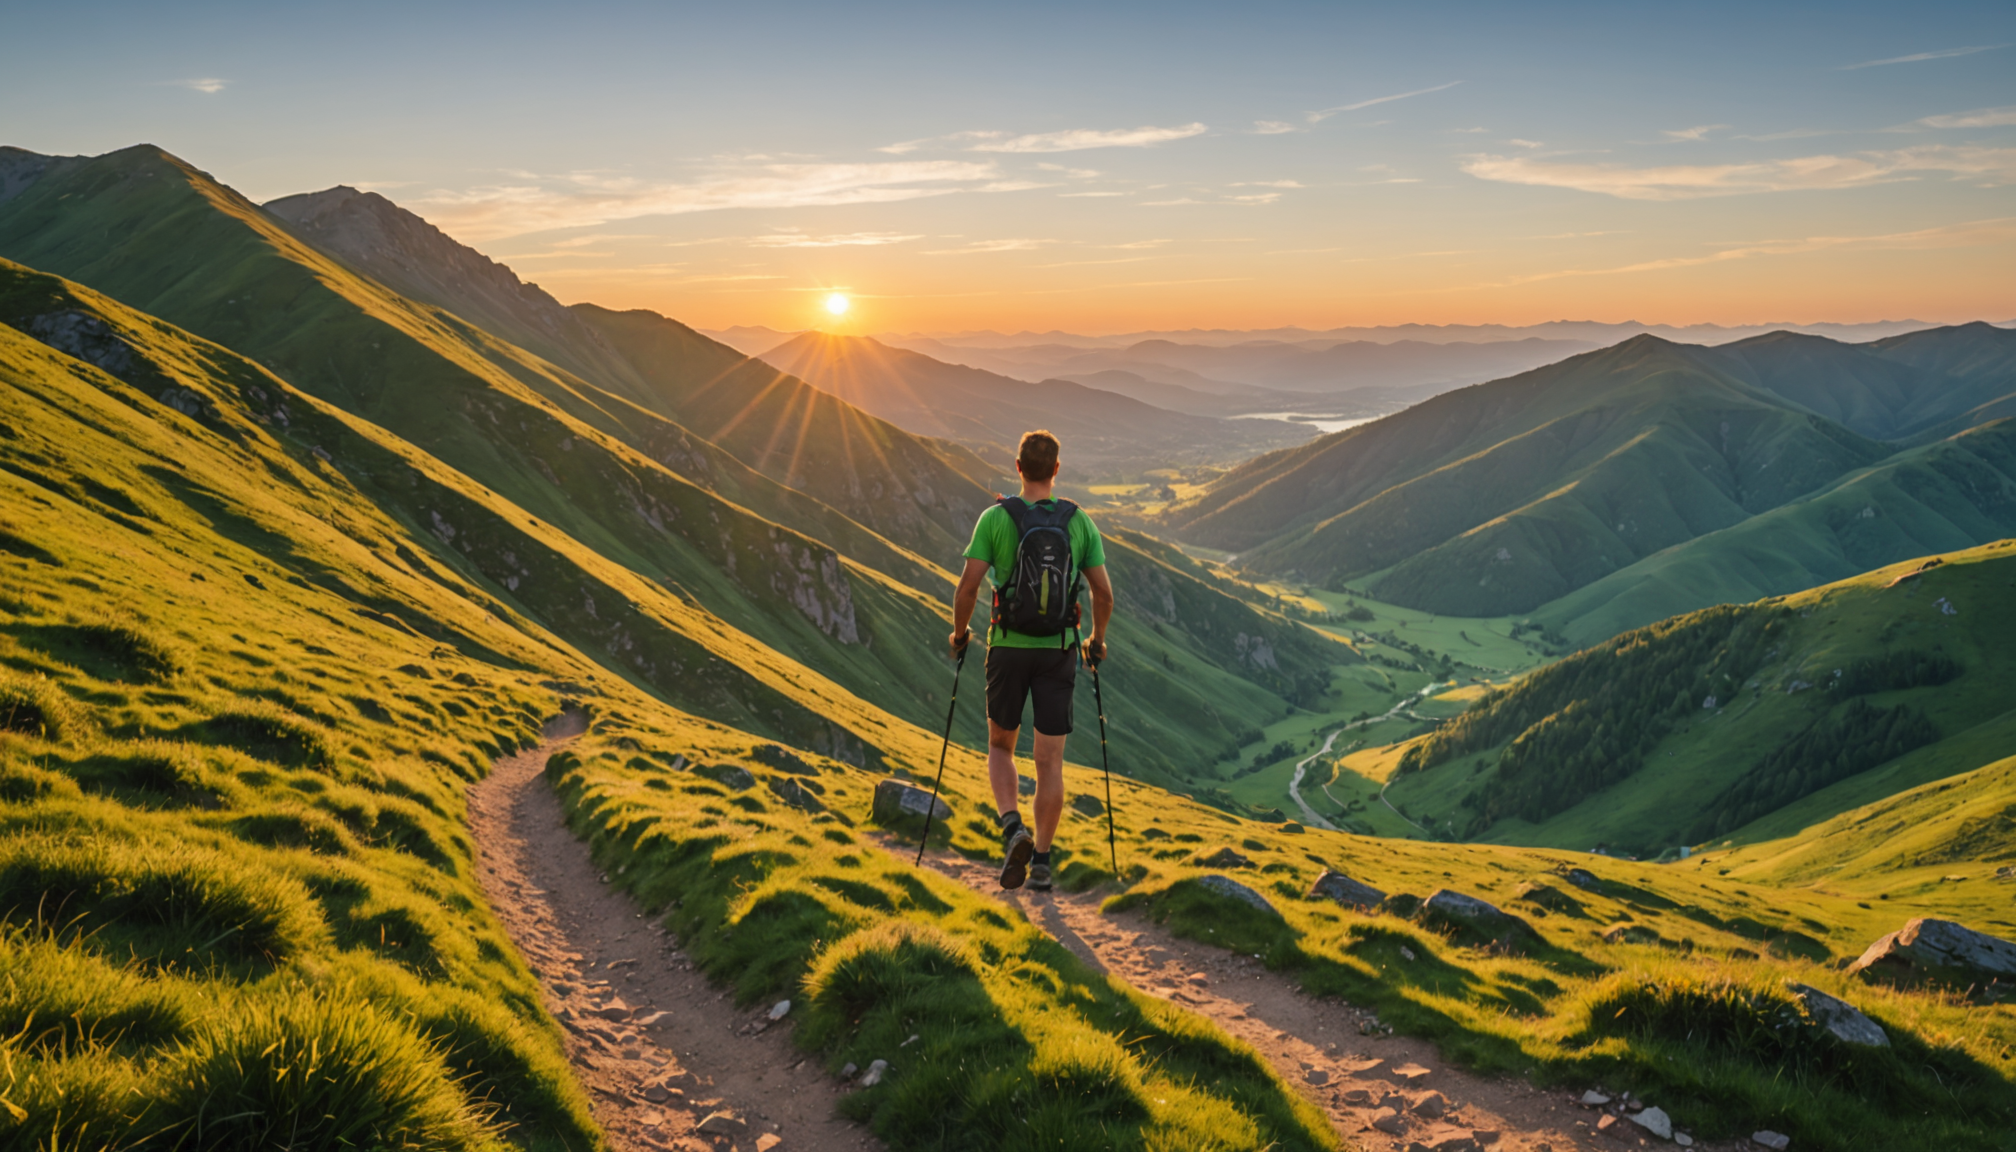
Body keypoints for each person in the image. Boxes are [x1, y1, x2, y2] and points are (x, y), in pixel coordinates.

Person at [949, 430, 1113, 891]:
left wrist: (960, 635)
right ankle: (1041, 861)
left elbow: (968, 588)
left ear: (1018, 468)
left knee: (1001, 745)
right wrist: (1096, 641)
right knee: (1050, 762)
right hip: (1059, 650)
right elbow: (1103, 594)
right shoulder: (1079, 523)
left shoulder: (995, 519)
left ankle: (1011, 827)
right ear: (1056, 470)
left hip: (1007, 646)